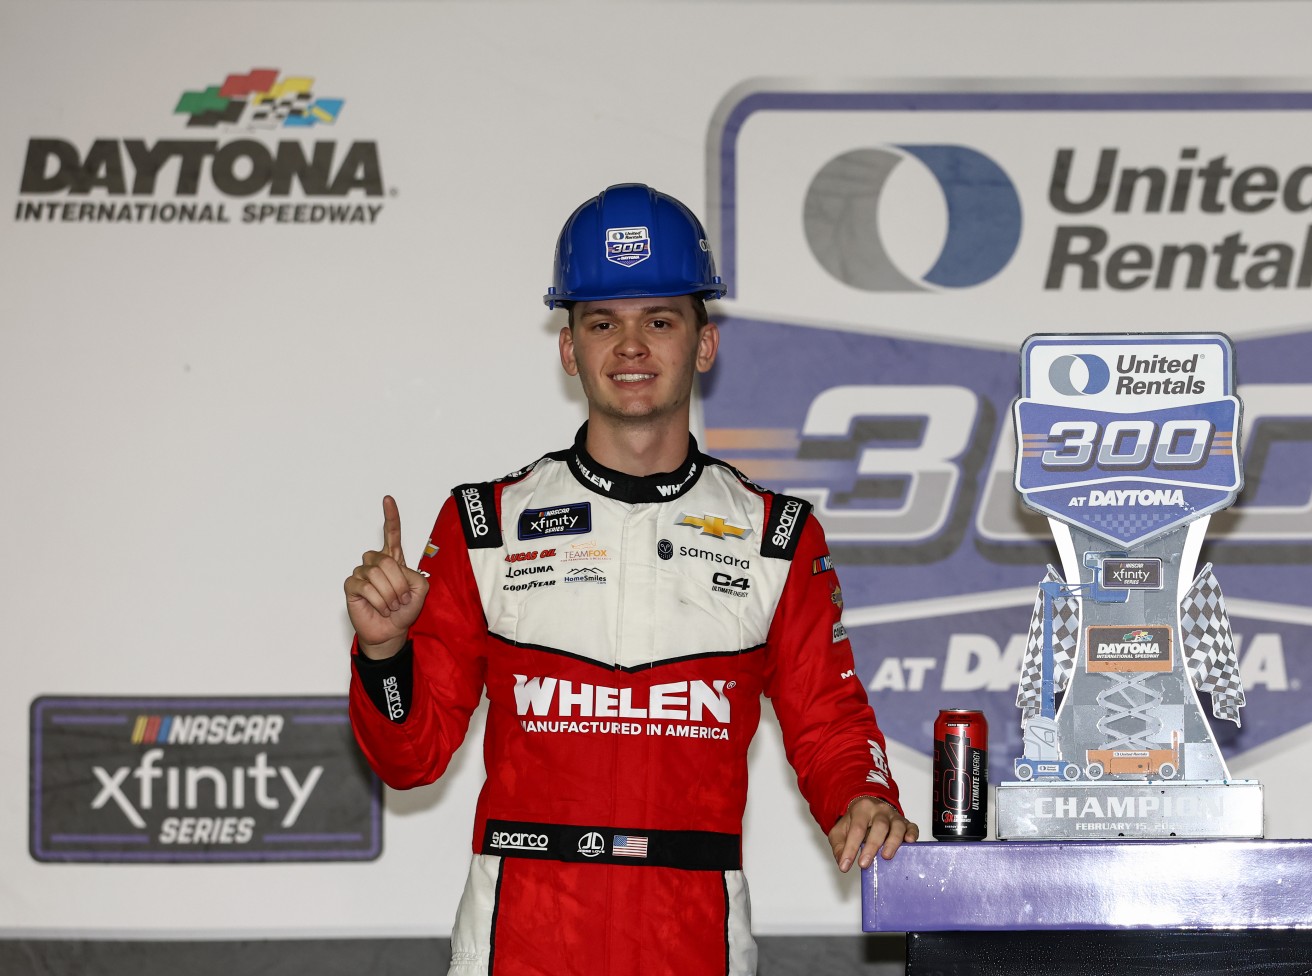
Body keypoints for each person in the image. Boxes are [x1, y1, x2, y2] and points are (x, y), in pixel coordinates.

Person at [343, 183, 917, 976]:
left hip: (692, 935)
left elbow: (829, 722)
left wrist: (863, 795)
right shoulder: (484, 524)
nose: (631, 346)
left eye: (660, 320)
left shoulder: (776, 537)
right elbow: (411, 760)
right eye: (602, 322)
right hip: (521, 936)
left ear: (704, 345)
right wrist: (383, 656)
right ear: (568, 348)